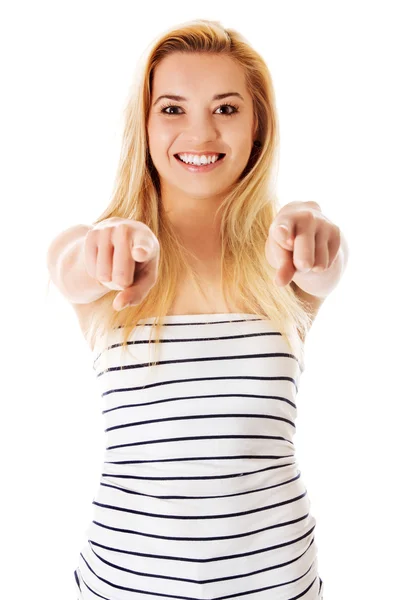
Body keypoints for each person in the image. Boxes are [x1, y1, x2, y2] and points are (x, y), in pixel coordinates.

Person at [47, 18, 349, 600]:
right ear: (146, 123)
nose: (201, 132)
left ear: (257, 125)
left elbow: (325, 266)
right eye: (173, 108)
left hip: (277, 583)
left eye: (227, 109)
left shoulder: (286, 251)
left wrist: (317, 235)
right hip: (126, 583)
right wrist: (108, 247)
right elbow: (70, 266)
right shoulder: (99, 250)